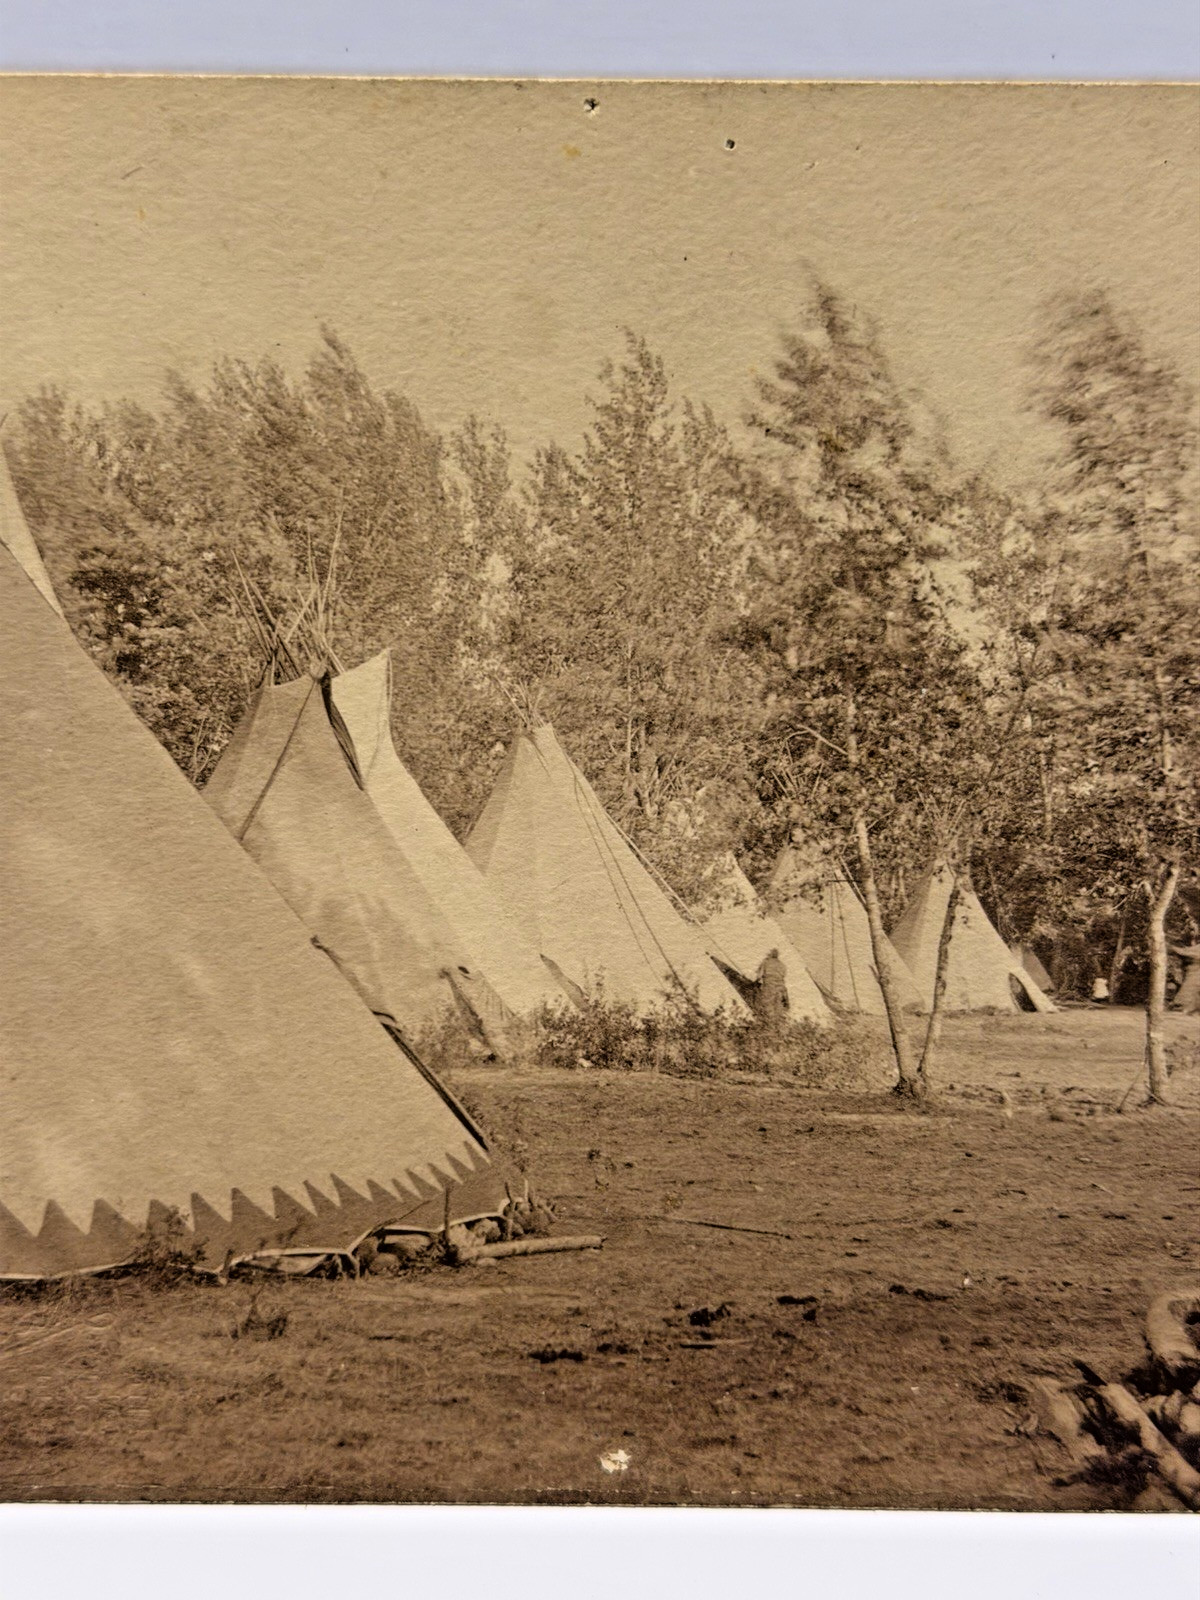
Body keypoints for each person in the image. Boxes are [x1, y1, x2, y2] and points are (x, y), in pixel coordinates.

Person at [755, 947, 789, 1027]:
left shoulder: (765, 963)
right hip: (781, 989)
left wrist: (755, 982)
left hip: (769, 988)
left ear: (770, 955)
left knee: (767, 1009)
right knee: (779, 1010)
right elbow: (783, 976)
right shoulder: (782, 965)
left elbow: (759, 976)